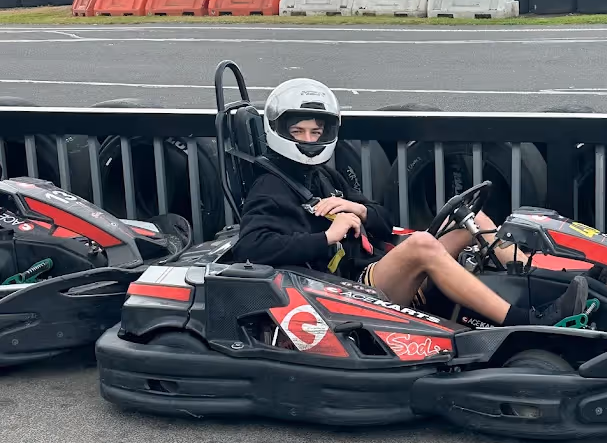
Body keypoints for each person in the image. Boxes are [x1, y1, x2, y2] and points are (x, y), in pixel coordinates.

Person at [234, 79, 588, 327]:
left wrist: (356, 210)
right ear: (278, 131)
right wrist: (328, 236)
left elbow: (383, 220)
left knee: (472, 218)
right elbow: (252, 246)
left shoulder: (322, 176)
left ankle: (553, 279)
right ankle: (524, 320)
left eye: (315, 132)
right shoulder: (271, 187)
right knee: (420, 244)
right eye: (298, 132)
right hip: (340, 290)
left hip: (369, 270)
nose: (309, 140)